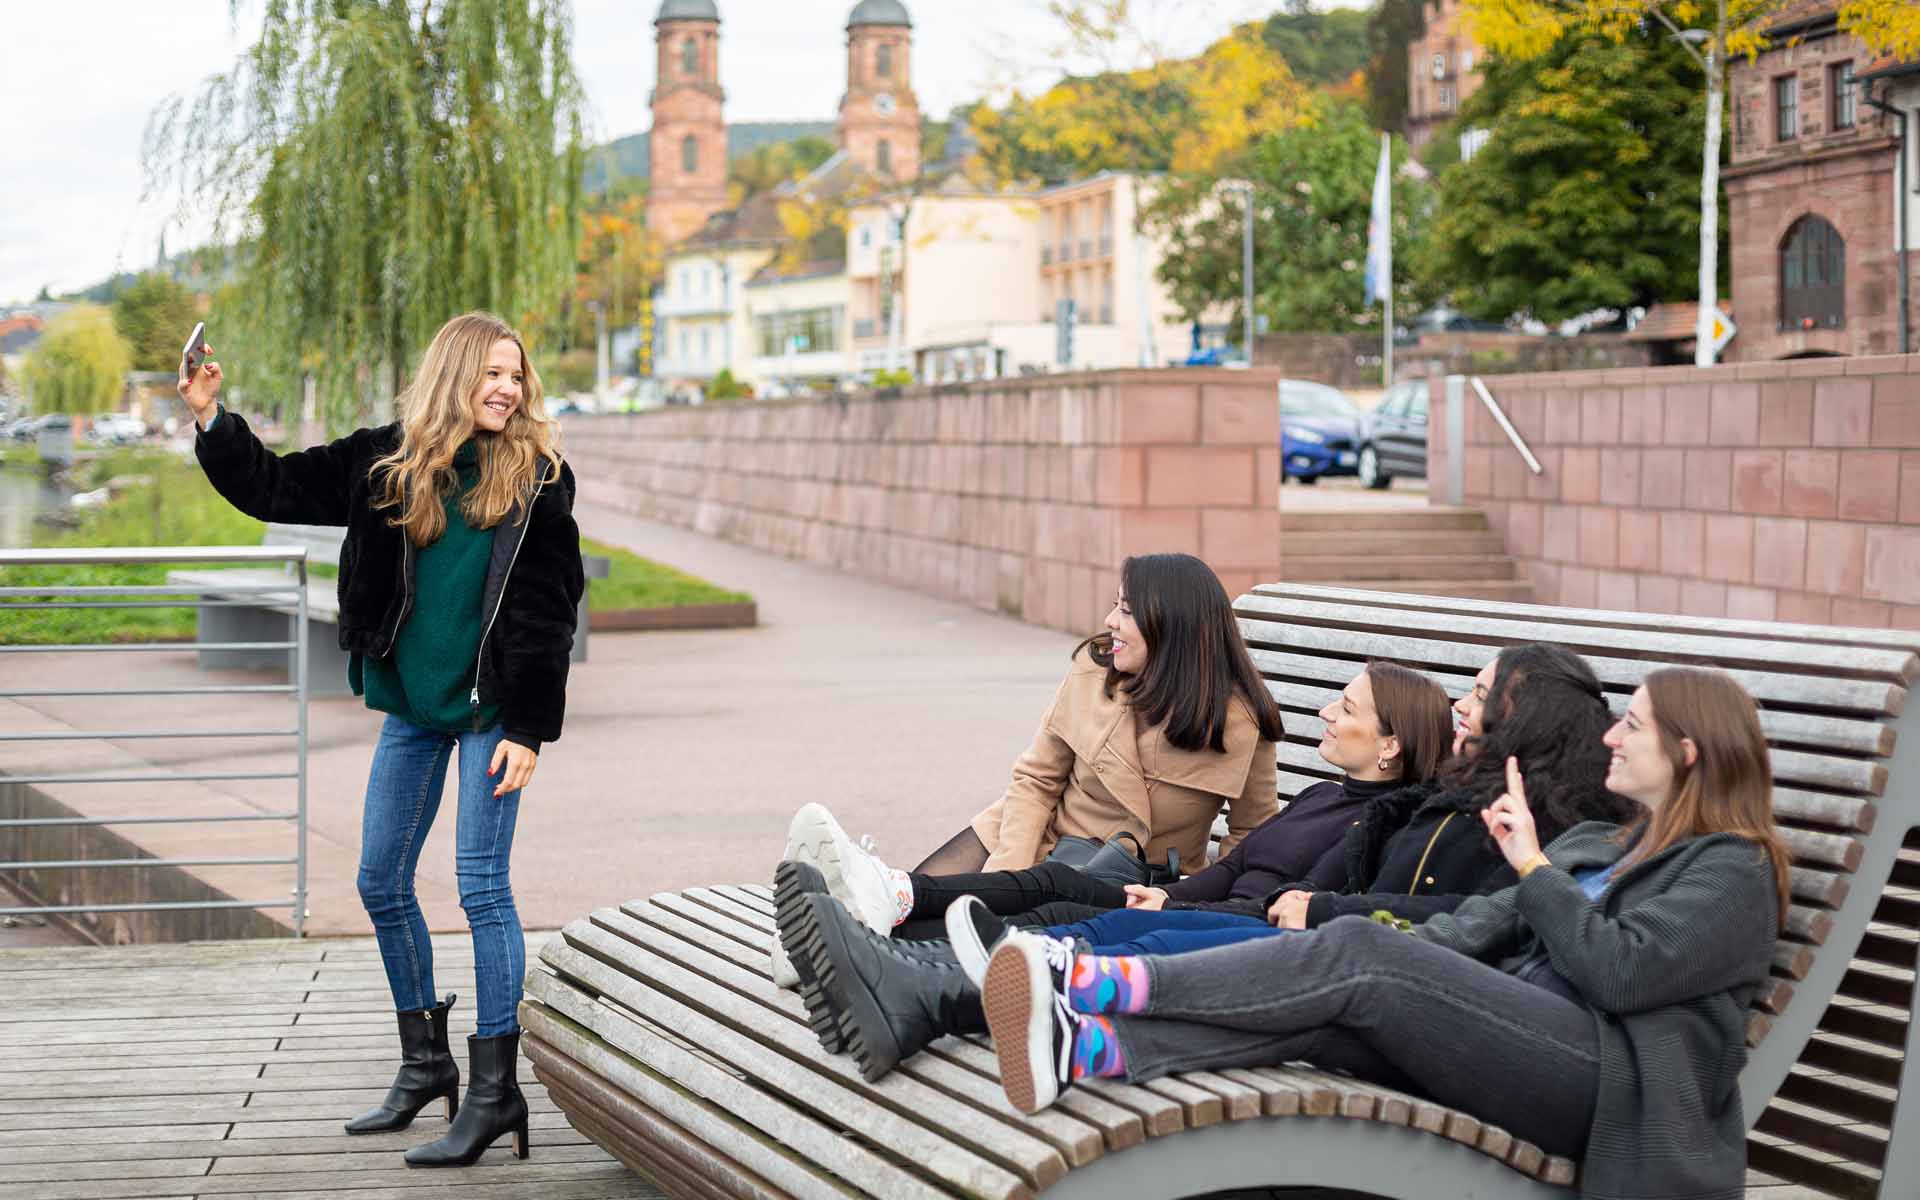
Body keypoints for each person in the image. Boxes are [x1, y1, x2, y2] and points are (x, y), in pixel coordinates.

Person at [980, 667, 1789, 1200]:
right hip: (1521, 1031)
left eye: (1634, 726)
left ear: (1686, 752)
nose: (1612, 735)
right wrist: (1370, 960)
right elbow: (1478, 927)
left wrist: (1532, 870)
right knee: (1335, 1007)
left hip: (1611, 1084)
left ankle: (1092, 984)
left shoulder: (1732, 871)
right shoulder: (1601, 844)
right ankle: (1095, 1050)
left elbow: (1620, 973)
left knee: (1361, 956)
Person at [180, 313, 585, 1167]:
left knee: (480, 888)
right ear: (454, 376)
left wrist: (530, 728)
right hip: (414, 704)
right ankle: (425, 1064)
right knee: (380, 879)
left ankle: (494, 1091)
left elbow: (551, 604)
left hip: (489, 713)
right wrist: (214, 421)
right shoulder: (387, 461)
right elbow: (276, 487)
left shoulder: (539, 476)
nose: (508, 389)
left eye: (517, 375)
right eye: (492, 374)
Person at [776, 553, 1286, 964]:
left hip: (1121, 876)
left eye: (1127, 611)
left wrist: (1203, 914)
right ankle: (832, 928)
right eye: (1115, 605)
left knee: (932, 921)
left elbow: (1253, 842)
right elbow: (1036, 780)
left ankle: (829, 944)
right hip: (1029, 835)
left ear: (1170, 626)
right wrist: (1005, 877)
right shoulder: (1095, 671)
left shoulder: (1242, 722)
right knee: (914, 898)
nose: (1110, 622)